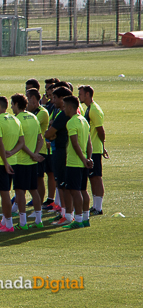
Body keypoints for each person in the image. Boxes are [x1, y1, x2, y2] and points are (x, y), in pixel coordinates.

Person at [10, 93, 45, 229]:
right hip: (32, 162)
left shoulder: (16, 120)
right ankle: (38, 220)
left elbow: (20, 142)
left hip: (20, 161)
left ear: (17, 105)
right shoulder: (34, 118)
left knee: (19, 191)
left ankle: (23, 223)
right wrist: (35, 154)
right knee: (33, 190)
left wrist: (31, 154)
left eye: (12, 104)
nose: (11, 107)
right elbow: (40, 139)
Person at [0, 96, 25, 233]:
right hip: (15, 161)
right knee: (11, 191)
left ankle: (9, 225)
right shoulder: (16, 119)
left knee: (4, 193)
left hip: (1, 163)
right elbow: (21, 142)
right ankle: (5, 221)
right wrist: (12, 152)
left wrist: (5, 161)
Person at [62, 95, 93, 229]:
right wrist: (89, 158)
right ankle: (86, 219)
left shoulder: (71, 122)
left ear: (70, 107)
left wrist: (83, 159)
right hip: (84, 162)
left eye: (64, 107)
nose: (63, 109)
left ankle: (78, 219)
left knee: (75, 192)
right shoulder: (84, 121)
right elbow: (89, 143)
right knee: (83, 190)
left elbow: (75, 144)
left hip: (74, 162)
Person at [44, 87, 72, 226]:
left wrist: (51, 134)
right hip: (61, 151)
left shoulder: (63, 115)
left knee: (62, 185)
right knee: (62, 184)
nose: (52, 101)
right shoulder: (66, 113)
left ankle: (67, 215)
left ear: (63, 99)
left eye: (55, 98)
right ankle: (66, 214)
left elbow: (48, 134)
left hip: (61, 152)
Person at [78, 85, 107, 216]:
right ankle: (95, 206)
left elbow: (101, 130)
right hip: (92, 148)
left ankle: (98, 207)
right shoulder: (89, 108)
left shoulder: (94, 110)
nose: (79, 96)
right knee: (92, 177)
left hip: (95, 149)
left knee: (96, 178)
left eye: (81, 94)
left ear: (88, 95)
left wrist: (102, 146)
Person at [26, 88, 53, 212]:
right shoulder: (31, 112)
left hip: (40, 150)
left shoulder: (42, 112)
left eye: (27, 99)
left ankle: (40, 206)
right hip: (31, 150)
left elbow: (31, 125)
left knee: (39, 178)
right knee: (33, 178)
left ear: (32, 99)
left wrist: (26, 111)